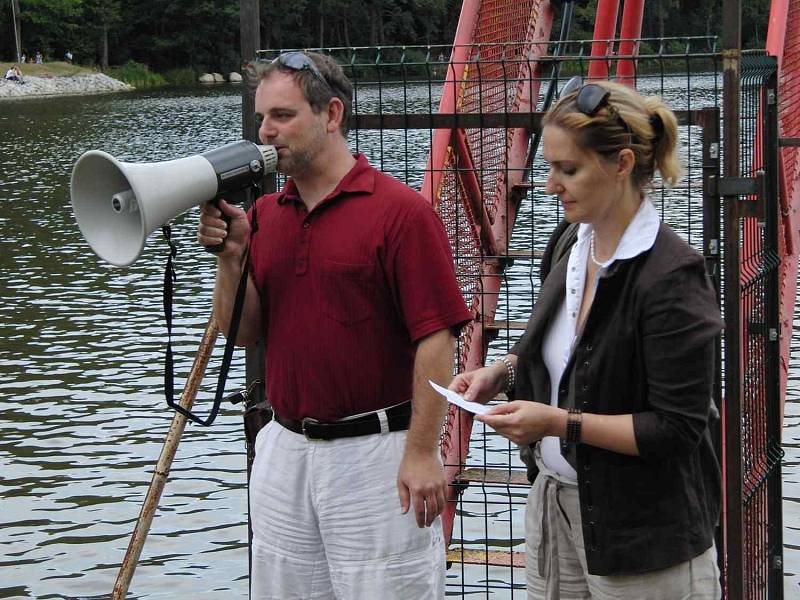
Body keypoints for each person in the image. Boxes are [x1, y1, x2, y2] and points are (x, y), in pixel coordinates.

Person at [197, 51, 471, 599]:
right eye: (261, 118)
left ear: (332, 114)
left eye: (282, 115)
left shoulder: (401, 213)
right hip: (286, 449)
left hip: (376, 454)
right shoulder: (267, 216)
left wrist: (422, 451)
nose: (265, 132)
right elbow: (243, 332)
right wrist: (231, 258)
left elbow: (437, 339)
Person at [450, 79, 723, 600]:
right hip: (555, 510)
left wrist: (557, 423)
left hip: (643, 537)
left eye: (567, 169)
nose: (550, 185)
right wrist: (502, 373)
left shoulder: (672, 275)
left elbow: (676, 429)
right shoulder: (571, 241)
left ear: (621, 163)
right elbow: (562, 358)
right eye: (548, 166)